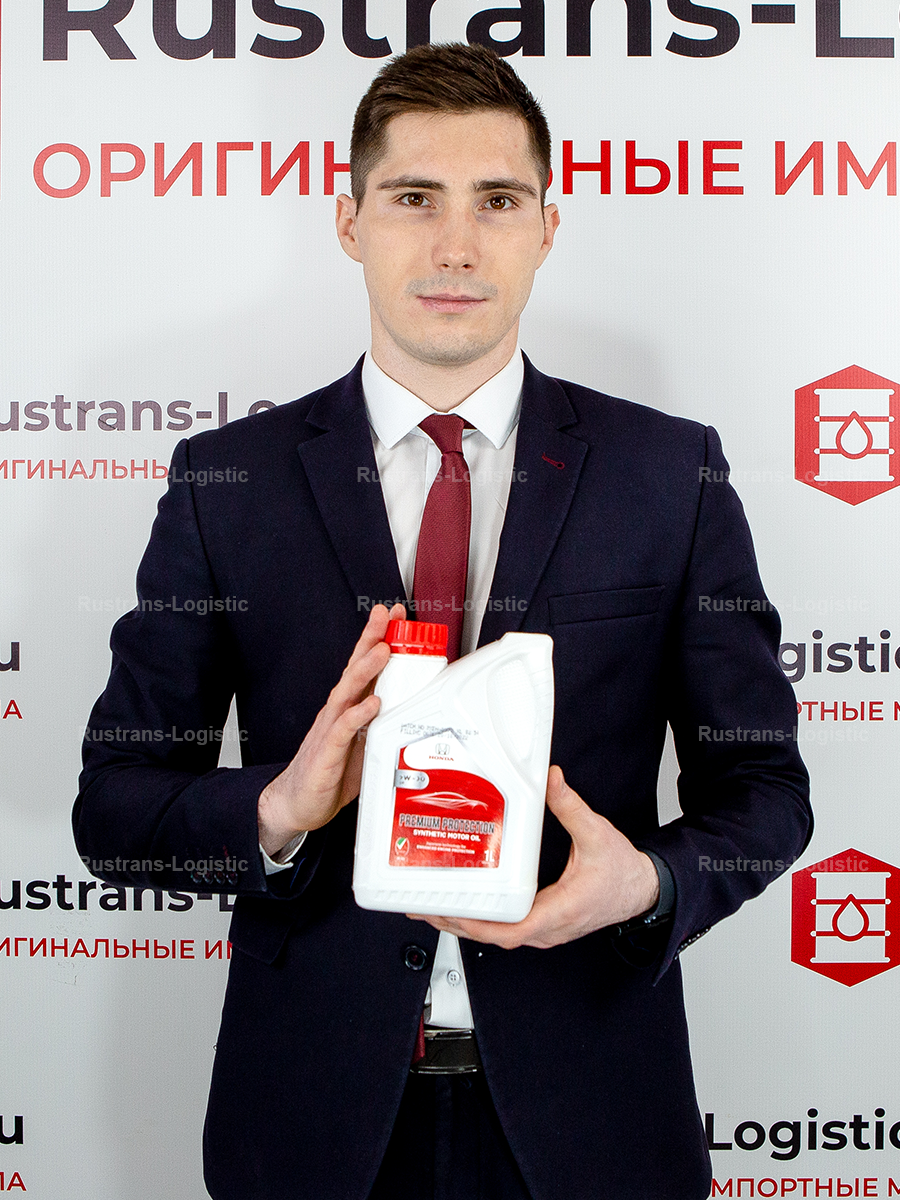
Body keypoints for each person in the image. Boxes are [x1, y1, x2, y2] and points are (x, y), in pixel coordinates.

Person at [74, 42, 811, 1200]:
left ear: (547, 228)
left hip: (591, 1119)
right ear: (349, 220)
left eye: (498, 201)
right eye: (414, 198)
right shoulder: (230, 482)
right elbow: (115, 807)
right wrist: (277, 809)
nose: (457, 245)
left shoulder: (669, 475)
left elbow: (765, 791)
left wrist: (648, 885)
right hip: (311, 1126)